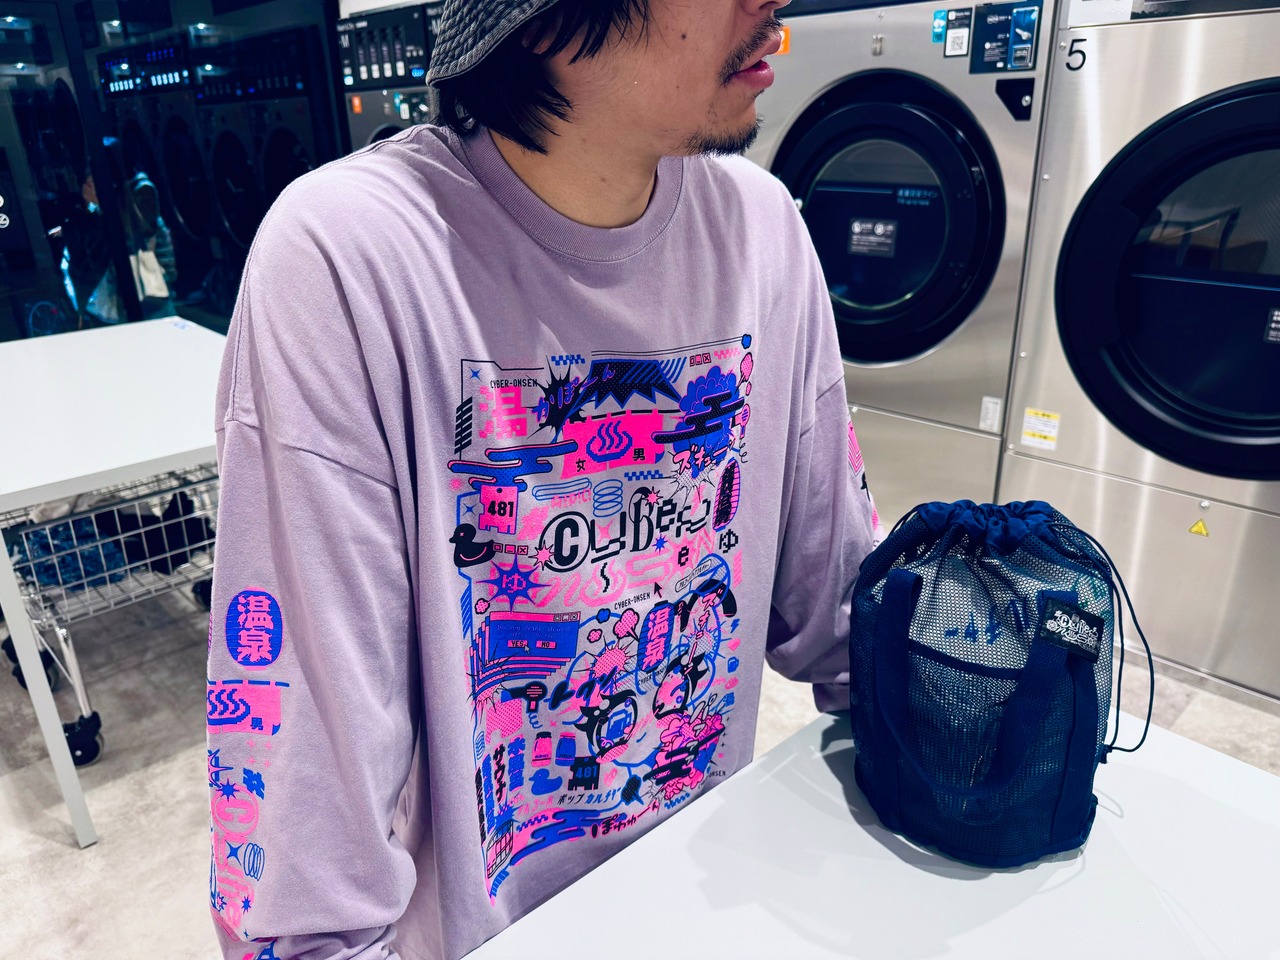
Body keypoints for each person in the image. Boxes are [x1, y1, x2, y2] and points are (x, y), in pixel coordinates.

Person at [206, 1, 882, 958]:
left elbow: (846, 626)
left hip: (715, 896)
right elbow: (303, 858)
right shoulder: (352, 257)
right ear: (542, 21)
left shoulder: (760, 228)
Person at [62, 136, 176, 325]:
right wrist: (91, 205)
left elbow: (129, 235)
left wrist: (99, 203)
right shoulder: (112, 196)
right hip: (124, 294)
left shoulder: (140, 191)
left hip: (148, 290)